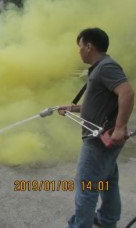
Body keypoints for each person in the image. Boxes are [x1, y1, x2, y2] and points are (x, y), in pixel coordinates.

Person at [57, 27, 134, 228]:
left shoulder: (106, 67)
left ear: (89, 46)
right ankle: (107, 219)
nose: (79, 51)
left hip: (99, 140)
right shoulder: (100, 68)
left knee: (86, 186)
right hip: (103, 138)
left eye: (80, 46)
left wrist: (120, 127)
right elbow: (99, 103)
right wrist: (73, 108)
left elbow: (126, 93)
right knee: (107, 181)